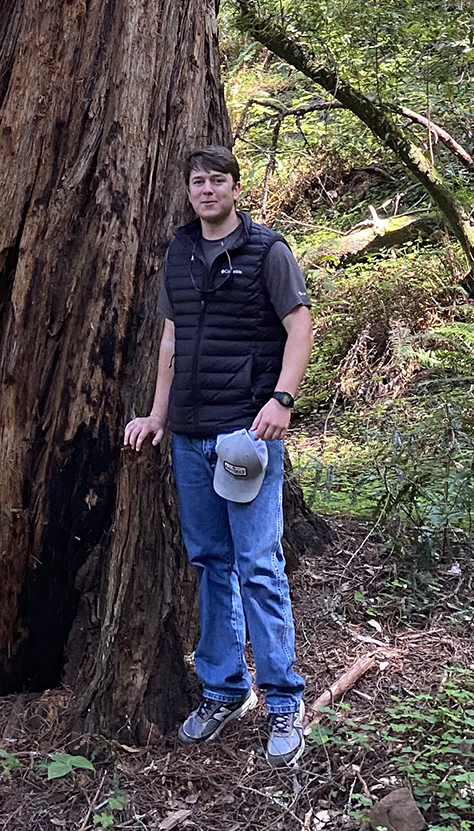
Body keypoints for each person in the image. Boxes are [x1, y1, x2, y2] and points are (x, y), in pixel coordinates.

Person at [124, 145, 313, 767]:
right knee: (209, 562)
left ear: (236, 188)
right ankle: (223, 689)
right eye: (197, 182)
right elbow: (170, 338)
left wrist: (282, 400)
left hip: (245, 436)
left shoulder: (268, 252)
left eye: (217, 181)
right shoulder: (179, 252)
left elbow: (300, 326)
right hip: (189, 437)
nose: (206, 190)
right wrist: (157, 415)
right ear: (187, 192)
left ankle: (284, 703)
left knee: (258, 564)